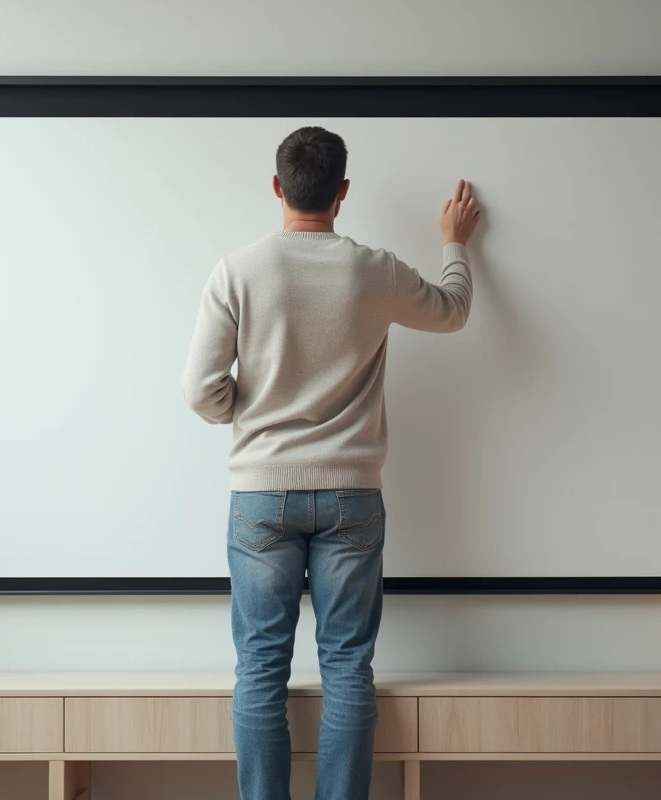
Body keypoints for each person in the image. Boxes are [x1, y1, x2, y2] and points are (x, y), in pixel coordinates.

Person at [181, 126, 480, 800]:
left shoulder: (238, 270)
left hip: (261, 495)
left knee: (260, 668)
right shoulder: (374, 270)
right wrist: (455, 242)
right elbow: (455, 310)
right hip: (351, 496)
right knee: (348, 667)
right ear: (342, 193)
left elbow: (200, 391)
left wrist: (252, 413)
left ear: (277, 187)